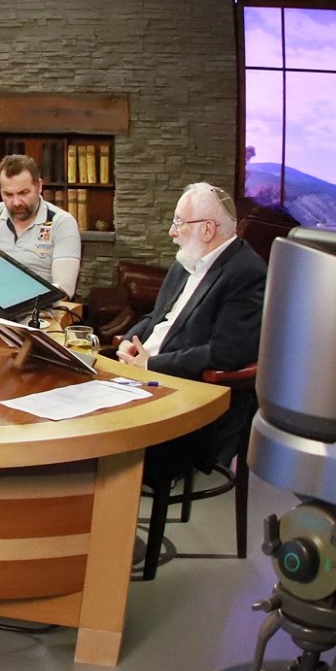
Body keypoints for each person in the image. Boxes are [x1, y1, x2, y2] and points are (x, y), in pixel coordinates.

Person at [116, 183, 267, 483]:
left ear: (207, 229)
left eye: (179, 222)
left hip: (186, 398)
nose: (172, 232)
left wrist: (151, 364)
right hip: (141, 378)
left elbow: (227, 353)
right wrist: (129, 340)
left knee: (97, 441)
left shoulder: (246, 272)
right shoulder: (187, 259)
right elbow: (157, 317)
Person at [0, 154, 83, 297]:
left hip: (40, 306)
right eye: (8, 194)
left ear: (39, 186)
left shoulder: (62, 222)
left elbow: (64, 290)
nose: (16, 202)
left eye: (23, 193)